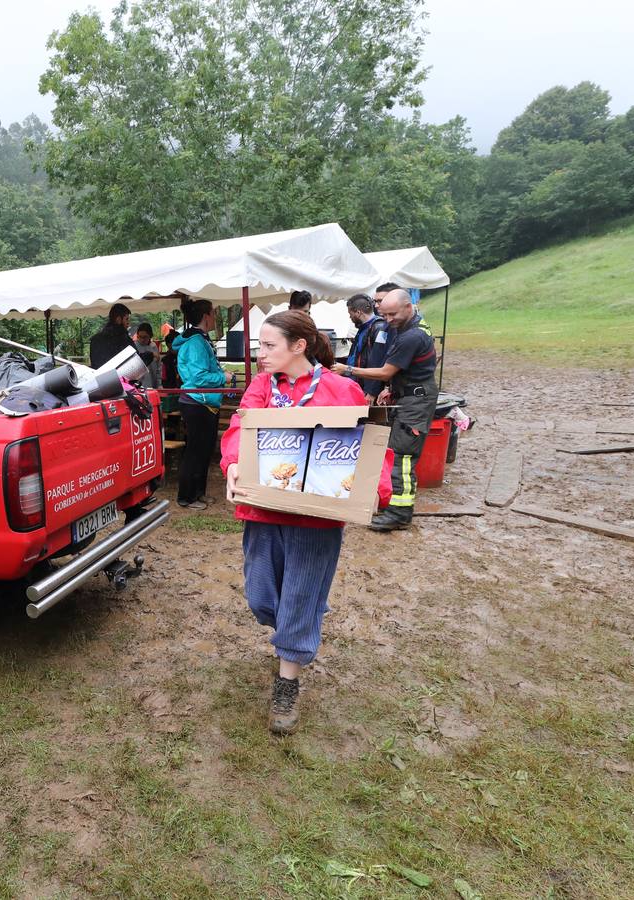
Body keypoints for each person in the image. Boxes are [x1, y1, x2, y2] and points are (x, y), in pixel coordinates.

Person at [220, 311, 390, 734]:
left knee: (298, 596)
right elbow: (240, 429)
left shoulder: (342, 389)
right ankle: (297, 627)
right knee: (262, 596)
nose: (260, 355)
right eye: (259, 346)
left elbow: (370, 445)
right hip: (264, 510)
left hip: (317, 519)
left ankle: (287, 679)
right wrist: (233, 463)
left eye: (269, 346)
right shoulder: (262, 388)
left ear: (299, 346)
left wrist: (375, 488)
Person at [334, 290, 439, 531]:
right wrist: (393, 388)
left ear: (408, 306)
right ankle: (397, 508)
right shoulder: (411, 325)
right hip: (411, 393)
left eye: (393, 314)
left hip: (416, 401)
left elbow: (385, 371)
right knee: (398, 452)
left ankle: (399, 514)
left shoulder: (411, 336)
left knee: (402, 456)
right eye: (385, 313)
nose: (388, 319)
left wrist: (348, 370)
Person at [172, 298, 226, 509]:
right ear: (206, 316)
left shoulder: (201, 340)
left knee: (204, 451)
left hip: (205, 402)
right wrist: (224, 377)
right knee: (195, 451)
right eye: (213, 313)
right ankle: (186, 497)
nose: (214, 318)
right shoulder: (195, 343)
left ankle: (199, 493)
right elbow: (199, 377)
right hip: (196, 403)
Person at [345, 293, 390, 402]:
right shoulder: (363, 328)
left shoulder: (380, 328)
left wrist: (371, 392)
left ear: (358, 312)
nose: (350, 317)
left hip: (367, 388)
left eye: (350, 314)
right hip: (358, 383)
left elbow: (379, 362)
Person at [89, 302, 133, 367]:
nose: (128, 323)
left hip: (101, 376)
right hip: (119, 376)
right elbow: (135, 361)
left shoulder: (95, 339)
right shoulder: (123, 339)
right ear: (118, 319)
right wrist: (150, 355)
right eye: (126, 319)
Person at [134, 322, 160, 389]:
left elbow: (158, 368)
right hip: (138, 387)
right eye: (139, 337)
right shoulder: (134, 347)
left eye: (145, 337)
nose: (142, 340)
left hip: (152, 385)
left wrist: (159, 384)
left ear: (150, 336)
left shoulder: (154, 347)